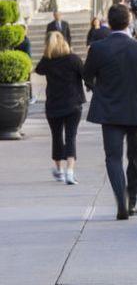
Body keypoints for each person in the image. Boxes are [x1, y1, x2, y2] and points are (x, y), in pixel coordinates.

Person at [83, 4, 137, 220]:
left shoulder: (98, 48)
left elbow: (86, 75)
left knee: (113, 158)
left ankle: (121, 199)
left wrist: (99, 89)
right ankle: (131, 201)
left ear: (109, 21)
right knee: (134, 157)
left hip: (110, 112)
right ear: (129, 21)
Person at [35, 31, 85, 184]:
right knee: (71, 136)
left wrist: (46, 55)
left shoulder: (47, 61)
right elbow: (85, 75)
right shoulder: (73, 59)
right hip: (73, 103)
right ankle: (70, 171)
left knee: (56, 137)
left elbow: (38, 70)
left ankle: (59, 171)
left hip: (53, 105)